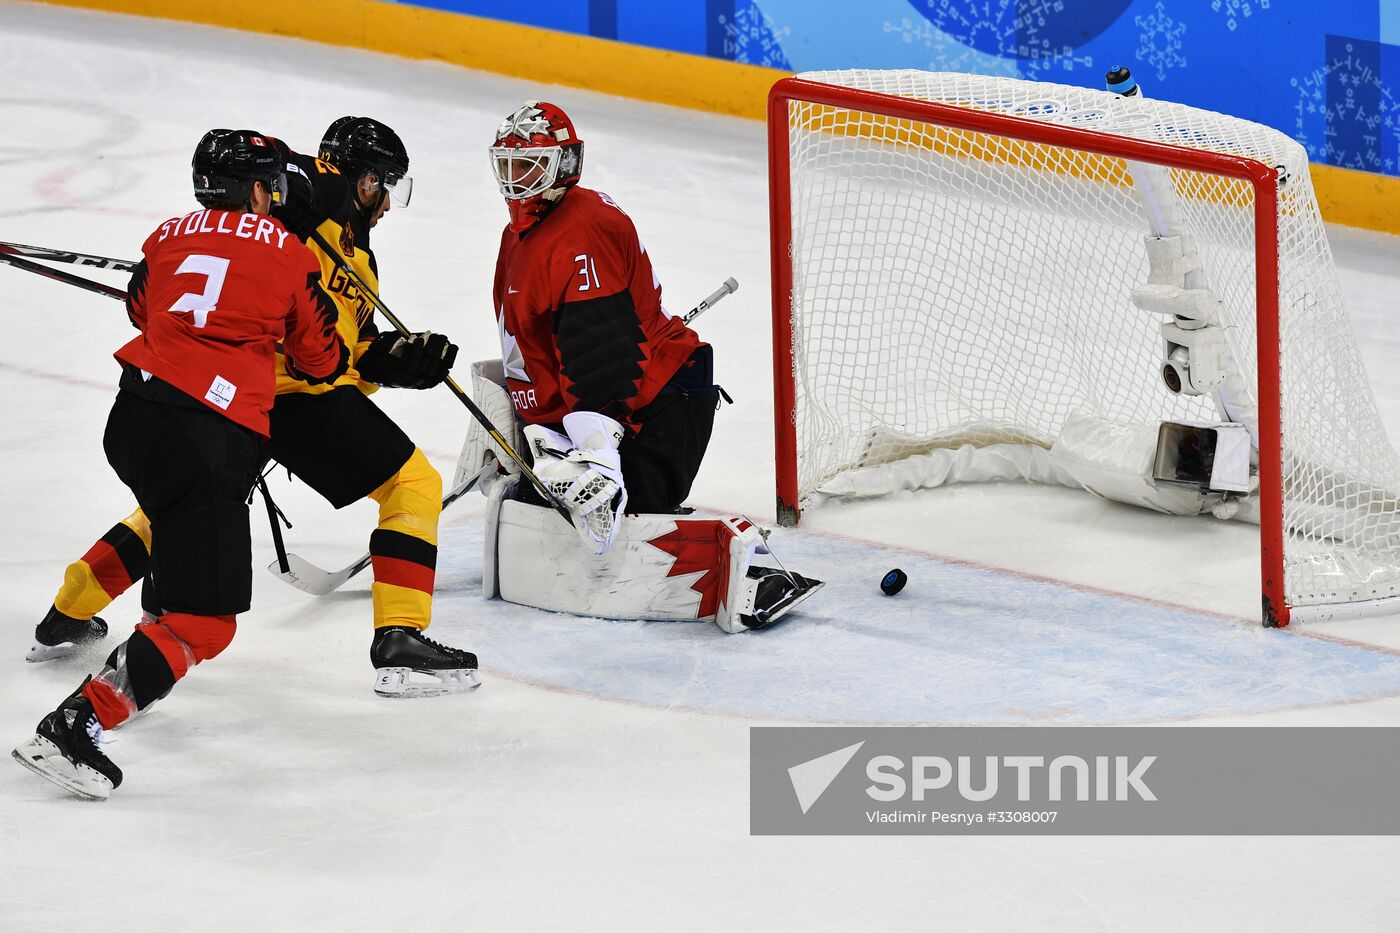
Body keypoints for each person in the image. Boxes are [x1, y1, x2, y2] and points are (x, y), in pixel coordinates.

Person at [26, 117, 479, 698]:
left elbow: (340, 349)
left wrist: (393, 359)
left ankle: (67, 612)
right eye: (384, 185)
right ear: (364, 180)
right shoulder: (313, 205)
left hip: (232, 400)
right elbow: (319, 355)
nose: (388, 203)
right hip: (285, 401)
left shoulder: (353, 257)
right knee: (412, 484)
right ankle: (401, 639)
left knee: (173, 510)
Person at [12, 129, 349, 800]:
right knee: (206, 620)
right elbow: (321, 359)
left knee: (174, 532)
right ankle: (75, 722)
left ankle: (139, 632)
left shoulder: (168, 235)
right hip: (204, 434)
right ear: (255, 188)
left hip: (133, 421)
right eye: (269, 181)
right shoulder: (289, 252)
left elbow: (142, 303)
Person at [467, 101, 820, 632]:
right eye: (508, 165)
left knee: (610, 514)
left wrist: (595, 452)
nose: (516, 179)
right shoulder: (522, 231)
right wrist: (531, 423)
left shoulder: (582, 232)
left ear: (563, 165)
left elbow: (601, 354)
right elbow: (534, 343)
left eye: (530, 165)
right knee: (549, 505)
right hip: (603, 406)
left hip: (655, 406)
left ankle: (748, 571)